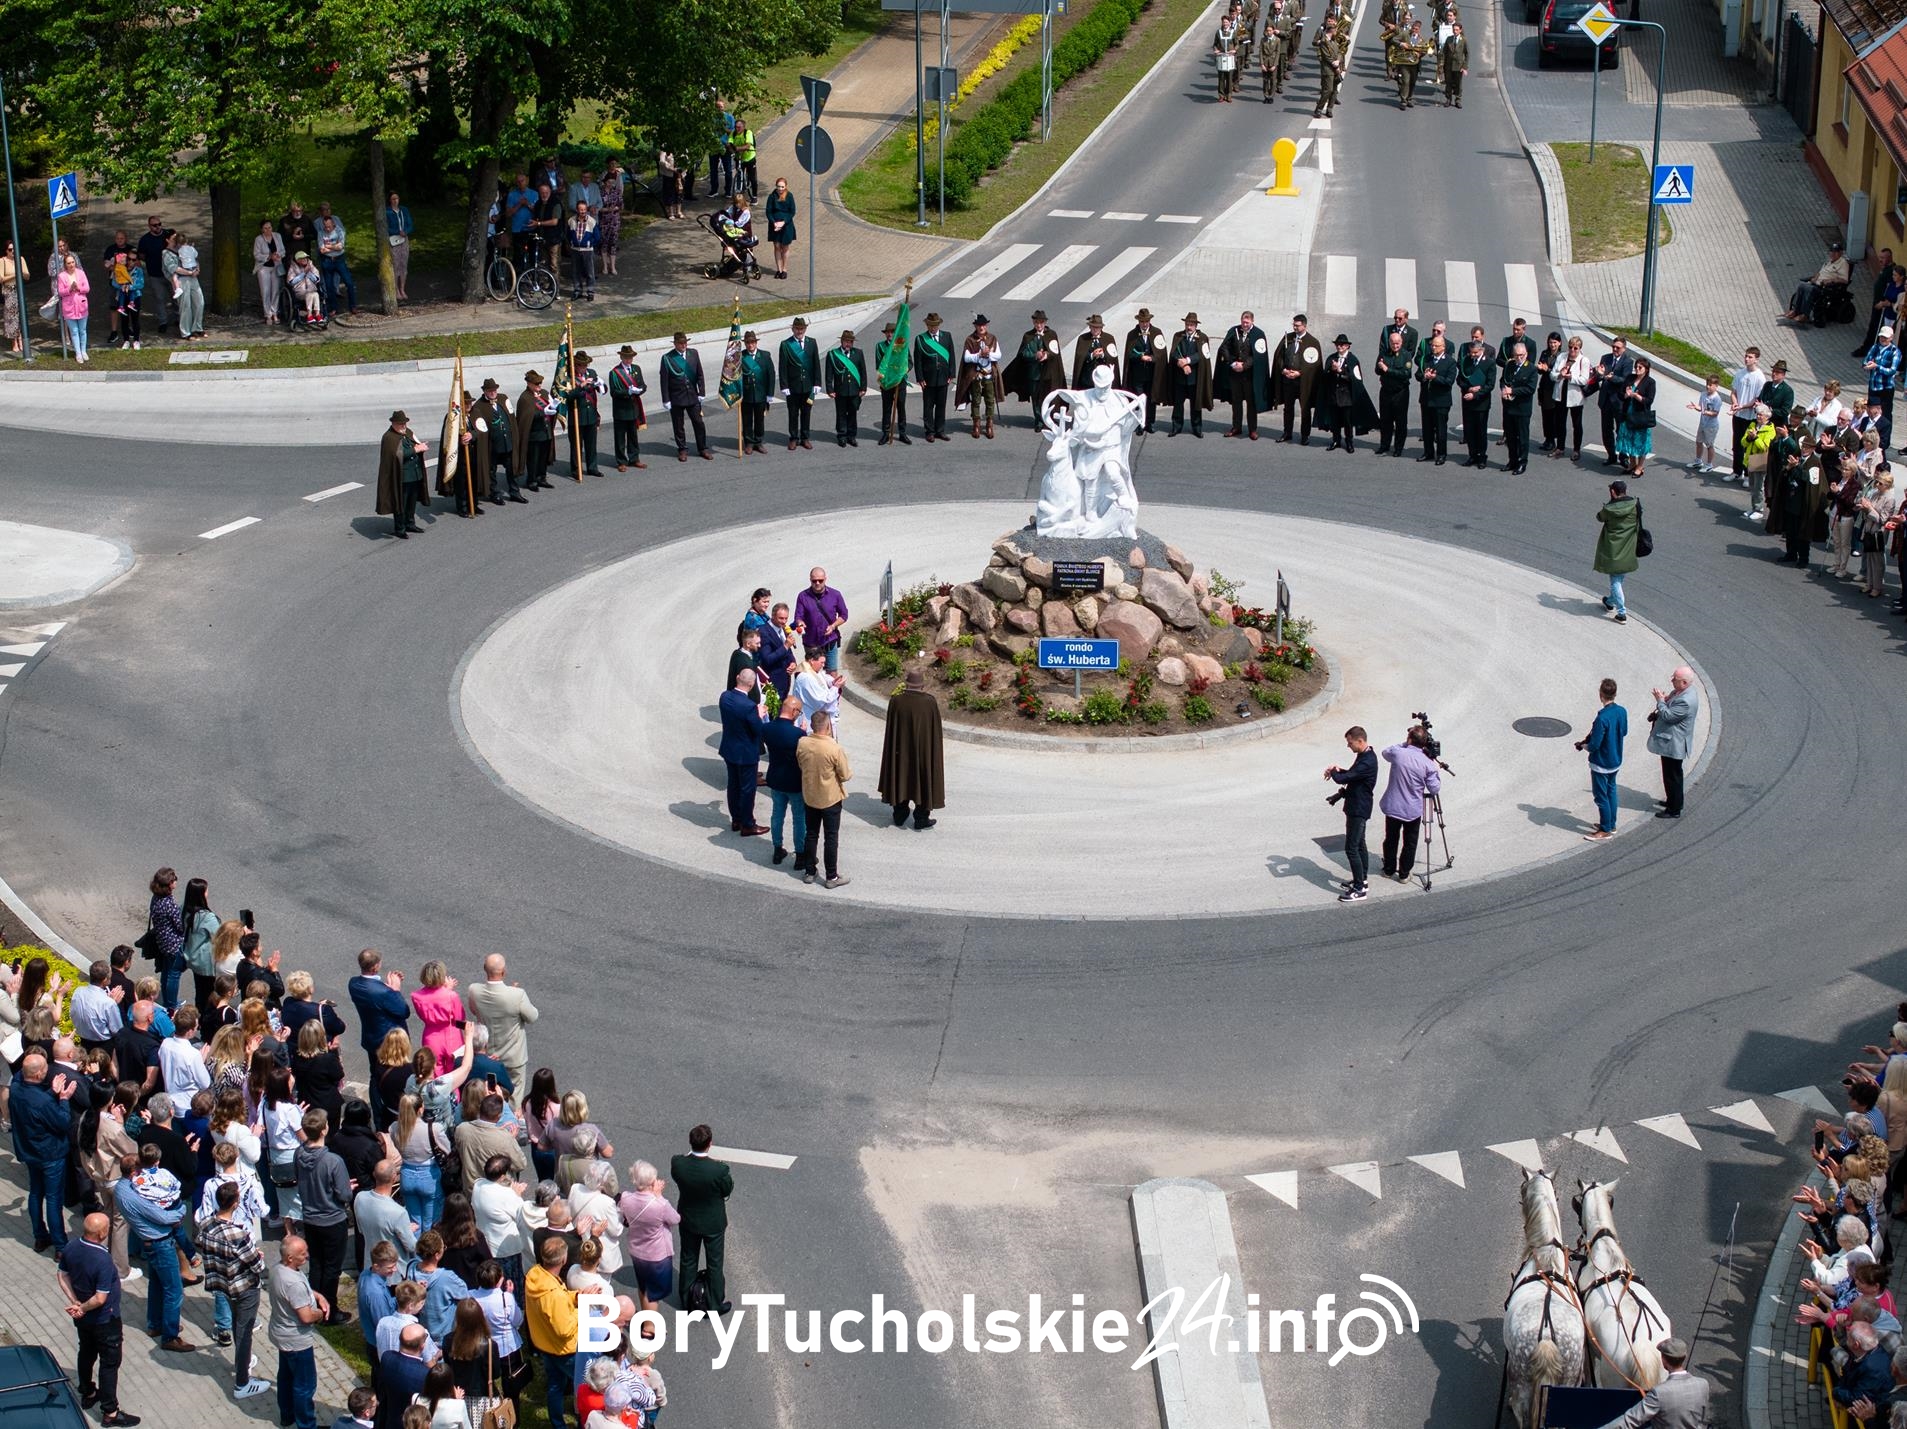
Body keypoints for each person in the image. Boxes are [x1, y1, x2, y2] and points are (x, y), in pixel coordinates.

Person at [59, 1211, 139, 1426]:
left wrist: (75, 1302)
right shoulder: (103, 1259)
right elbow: (100, 1298)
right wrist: (83, 1307)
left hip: (83, 1321)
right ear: (102, 1232)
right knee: (109, 1364)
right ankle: (110, 1412)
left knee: (86, 1352)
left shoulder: (72, 1246)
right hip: (105, 1320)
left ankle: (86, 1391)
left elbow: (62, 1274)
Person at [199, 1179, 274, 1398]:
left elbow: (202, 1245)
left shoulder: (205, 1224)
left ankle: (244, 1358)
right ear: (235, 1203)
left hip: (222, 1283)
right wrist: (258, 1256)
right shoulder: (238, 1234)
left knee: (236, 1323)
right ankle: (242, 1382)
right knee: (244, 1330)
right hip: (244, 1287)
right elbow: (258, 1265)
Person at [13, 1052, 75, 1249]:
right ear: (39, 1074)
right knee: (54, 1199)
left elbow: (35, 1107)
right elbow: (63, 1122)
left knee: (35, 1193)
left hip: (29, 1151)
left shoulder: (16, 1089)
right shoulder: (43, 1101)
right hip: (51, 1154)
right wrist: (63, 1098)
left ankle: (40, 1236)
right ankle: (60, 1246)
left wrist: (50, 1093)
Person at [671, 1125, 734, 1314]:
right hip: (713, 1223)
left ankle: (686, 1300)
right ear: (710, 1144)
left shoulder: (678, 1164)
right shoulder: (718, 1170)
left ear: (691, 1142)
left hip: (689, 1219)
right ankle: (714, 1303)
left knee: (688, 1258)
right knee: (714, 1262)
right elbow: (727, 1189)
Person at [1588, 1336, 1708, 1427]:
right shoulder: (1703, 1384)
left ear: (1664, 1360)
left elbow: (1629, 1421)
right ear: (1684, 1357)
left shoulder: (1659, 1393)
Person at [879, 669, 946, 831]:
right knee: (923, 778)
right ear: (922, 685)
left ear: (906, 684)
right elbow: (935, 730)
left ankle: (899, 815)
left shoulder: (896, 701)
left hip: (900, 751)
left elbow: (891, 730)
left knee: (900, 775)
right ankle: (921, 818)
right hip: (923, 751)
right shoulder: (929, 702)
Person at [526, 1236, 580, 1429]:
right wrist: (580, 1312)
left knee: (555, 1386)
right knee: (584, 1385)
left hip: (544, 1344)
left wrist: (577, 1296)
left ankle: (558, 1424)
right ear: (564, 1260)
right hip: (564, 1350)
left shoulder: (536, 1275)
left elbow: (559, 1301)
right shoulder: (554, 1295)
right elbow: (564, 1329)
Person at [795, 709, 853, 888]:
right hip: (830, 798)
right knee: (831, 837)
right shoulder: (834, 748)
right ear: (828, 727)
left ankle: (810, 871)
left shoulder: (802, 743)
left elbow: (800, 764)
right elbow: (845, 775)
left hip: (810, 796)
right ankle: (831, 876)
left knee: (811, 834)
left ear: (812, 726)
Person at [466, 955, 537, 1098]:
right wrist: (513, 994)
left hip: (489, 1053)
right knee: (514, 1095)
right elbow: (532, 1017)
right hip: (513, 1056)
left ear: (485, 969)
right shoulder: (518, 995)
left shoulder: (474, 990)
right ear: (503, 972)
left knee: (489, 1093)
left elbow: (474, 1010)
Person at [1378, 727, 1441, 882]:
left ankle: (1388, 869)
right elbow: (1434, 789)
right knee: (1410, 843)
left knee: (1391, 839)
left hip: (1393, 807)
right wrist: (1436, 770)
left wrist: (1405, 744)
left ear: (1410, 739)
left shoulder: (1398, 753)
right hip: (1412, 810)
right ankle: (1404, 874)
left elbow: (1386, 752)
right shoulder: (1427, 763)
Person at [1324, 727, 1377, 902]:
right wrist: (1339, 769)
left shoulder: (1367, 761)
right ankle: (1362, 879)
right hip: (1358, 806)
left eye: (1350, 742)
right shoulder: (1365, 756)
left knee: (1351, 848)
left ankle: (1360, 889)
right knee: (1360, 844)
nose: (1348, 746)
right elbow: (1353, 775)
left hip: (1358, 808)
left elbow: (1342, 779)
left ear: (1360, 741)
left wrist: (1333, 770)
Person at [1575, 677, 1628, 842]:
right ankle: (1611, 824)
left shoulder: (1602, 718)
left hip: (1601, 762)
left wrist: (1584, 746)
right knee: (1611, 791)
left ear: (1601, 694)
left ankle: (1605, 829)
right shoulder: (1621, 711)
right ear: (1615, 693)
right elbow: (1624, 731)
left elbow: (1594, 745)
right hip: (1615, 758)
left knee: (1600, 795)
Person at [1646, 666, 1699, 820]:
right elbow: (1671, 704)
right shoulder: (1683, 692)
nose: (1671, 681)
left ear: (1684, 682)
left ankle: (1674, 809)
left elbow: (1668, 715)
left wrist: (1660, 701)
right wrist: (1666, 699)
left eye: (1674, 679)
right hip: (1672, 741)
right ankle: (1673, 801)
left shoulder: (1686, 701)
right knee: (1671, 774)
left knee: (1672, 776)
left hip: (1675, 743)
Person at [1005, 310, 1067, 428]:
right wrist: (1035, 356)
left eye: (1041, 322)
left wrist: (1046, 355)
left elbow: (1055, 352)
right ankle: (1038, 420)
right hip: (1034, 374)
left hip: (1048, 373)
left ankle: (1049, 419)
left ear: (1045, 323)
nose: (1039, 325)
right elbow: (1023, 354)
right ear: (1033, 323)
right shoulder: (1028, 336)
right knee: (1036, 398)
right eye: (1036, 322)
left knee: (1049, 396)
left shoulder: (1051, 334)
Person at [1216, 310, 1272, 439]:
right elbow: (1224, 348)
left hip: (1249, 376)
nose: (1244, 324)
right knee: (1236, 402)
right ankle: (1236, 427)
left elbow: (1258, 355)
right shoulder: (1234, 331)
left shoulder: (1258, 334)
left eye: (1247, 322)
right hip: (1235, 374)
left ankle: (1252, 429)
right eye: (1243, 322)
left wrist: (1244, 366)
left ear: (1252, 321)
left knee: (1251, 403)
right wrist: (1232, 363)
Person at [376, 411, 430, 540]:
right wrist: (415, 449)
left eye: (404, 423)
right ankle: (400, 528)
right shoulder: (389, 437)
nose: (403, 426)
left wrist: (420, 446)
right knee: (401, 503)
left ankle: (410, 523)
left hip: (415, 474)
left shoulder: (408, 432)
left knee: (411, 502)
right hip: (402, 477)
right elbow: (397, 455)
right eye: (400, 424)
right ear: (393, 424)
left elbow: (414, 443)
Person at [1594, 479, 1641, 624]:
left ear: (1613, 492)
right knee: (1619, 578)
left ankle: (1622, 613)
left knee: (1615, 580)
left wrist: (1609, 503)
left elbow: (1599, 517)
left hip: (1614, 549)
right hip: (1629, 547)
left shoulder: (1609, 509)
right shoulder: (1635, 504)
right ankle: (1609, 602)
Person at [658, 331, 710, 462]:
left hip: (692, 396)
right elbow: (664, 380)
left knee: (699, 423)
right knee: (678, 425)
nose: (683, 345)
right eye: (680, 343)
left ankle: (702, 448)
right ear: (675, 344)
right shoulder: (667, 358)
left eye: (685, 343)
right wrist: (666, 399)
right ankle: (682, 449)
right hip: (676, 397)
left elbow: (699, 374)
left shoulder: (694, 353)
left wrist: (702, 392)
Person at [1162, 312, 1213, 437]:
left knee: (1195, 405)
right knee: (1178, 404)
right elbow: (1174, 353)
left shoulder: (1202, 338)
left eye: (1191, 325)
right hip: (1180, 378)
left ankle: (1197, 427)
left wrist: (1188, 361)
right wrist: (1182, 364)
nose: (1189, 327)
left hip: (1195, 378)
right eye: (1187, 324)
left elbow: (1202, 355)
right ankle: (1176, 426)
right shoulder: (1178, 336)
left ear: (1196, 325)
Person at [1274, 315, 1321, 443]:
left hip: (1303, 383)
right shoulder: (1288, 338)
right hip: (1288, 381)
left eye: (1297, 325)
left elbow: (1315, 365)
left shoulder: (1312, 342)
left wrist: (1299, 373)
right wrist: (1283, 369)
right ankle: (1287, 432)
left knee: (1305, 409)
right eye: (1294, 325)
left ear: (1305, 326)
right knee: (1288, 408)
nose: (1295, 327)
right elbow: (1279, 356)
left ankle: (1305, 435)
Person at [957, 313, 1005, 438]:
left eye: (983, 325)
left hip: (988, 375)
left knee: (990, 401)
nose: (981, 327)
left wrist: (988, 354)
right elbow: (966, 358)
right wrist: (979, 355)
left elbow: (999, 355)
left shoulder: (992, 338)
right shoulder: (970, 339)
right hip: (976, 376)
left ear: (986, 326)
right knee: (976, 401)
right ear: (975, 326)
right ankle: (976, 425)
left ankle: (989, 425)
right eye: (979, 325)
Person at [794, 568, 850, 672]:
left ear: (825, 579)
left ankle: (834, 689)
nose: (817, 583)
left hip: (829, 642)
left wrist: (833, 626)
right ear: (810, 580)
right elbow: (798, 616)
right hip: (811, 644)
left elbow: (844, 615)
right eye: (814, 581)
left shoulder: (835, 594)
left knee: (832, 673)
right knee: (812, 675)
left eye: (820, 580)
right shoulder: (803, 596)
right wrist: (800, 623)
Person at [1783, 239, 1851, 324]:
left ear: (1840, 253)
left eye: (1835, 252)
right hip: (1817, 283)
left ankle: (1805, 315)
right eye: (1831, 251)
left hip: (1827, 287)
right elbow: (1821, 272)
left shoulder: (1843, 263)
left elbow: (1844, 280)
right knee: (1802, 286)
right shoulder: (1829, 262)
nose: (1832, 253)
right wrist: (1814, 277)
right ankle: (1796, 311)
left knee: (1809, 290)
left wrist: (1831, 280)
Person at [911, 312, 955, 441]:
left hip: (943, 376)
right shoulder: (920, 339)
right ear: (927, 325)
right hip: (928, 378)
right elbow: (918, 360)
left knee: (941, 405)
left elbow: (951, 355)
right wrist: (920, 378)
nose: (933, 328)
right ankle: (929, 431)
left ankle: (940, 430)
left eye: (935, 325)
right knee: (929, 406)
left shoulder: (947, 336)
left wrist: (951, 373)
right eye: (930, 325)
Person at [516, 370, 558, 490]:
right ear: (529, 384)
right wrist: (542, 413)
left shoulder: (544, 393)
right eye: (536, 383)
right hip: (533, 434)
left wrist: (553, 407)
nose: (539, 385)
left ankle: (542, 477)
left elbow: (550, 406)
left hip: (545, 431)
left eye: (540, 383)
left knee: (543, 457)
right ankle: (532, 480)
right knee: (533, 458)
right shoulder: (525, 398)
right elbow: (526, 416)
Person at [1616, 357, 1657, 477]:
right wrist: (1626, 395)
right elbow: (1620, 394)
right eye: (1636, 367)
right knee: (1628, 439)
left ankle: (1640, 466)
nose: (1637, 369)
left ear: (1646, 369)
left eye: (1640, 367)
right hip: (1627, 414)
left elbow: (1649, 400)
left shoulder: (1650, 382)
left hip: (1640, 416)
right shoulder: (1630, 378)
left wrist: (1637, 396)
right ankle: (1632, 463)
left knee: (1641, 442)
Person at [825, 327, 868, 446]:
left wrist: (863, 388)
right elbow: (829, 373)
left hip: (854, 390)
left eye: (851, 342)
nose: (848, 344)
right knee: (841, 413)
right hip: (840, 390)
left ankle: (852, 436)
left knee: (853, 413)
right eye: (846, 341)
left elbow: (862, 372)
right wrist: (830, 389)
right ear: (842, 341)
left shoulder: (858, 353)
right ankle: (842, 435)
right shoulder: (833, 354)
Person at [738, 330, 775, 454]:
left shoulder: (765, 355)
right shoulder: (740, 356)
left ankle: (758, 442)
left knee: (760, 419)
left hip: (761, 394)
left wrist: (770, 394)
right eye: (748, 343)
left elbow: (771, 375)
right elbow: (735, 376)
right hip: (746, 395)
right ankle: (749, 442)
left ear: (756, 342)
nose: (750, 345)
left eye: (752, 342)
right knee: (747, 420)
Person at [875, 321, 911, 445]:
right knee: (887, 408)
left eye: (892, 332)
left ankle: (902, 433)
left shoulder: (902, 345)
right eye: (888, 332)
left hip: (900, 381)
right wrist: (888, 376)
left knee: (901, 407)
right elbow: (879, 364)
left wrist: (903, 370)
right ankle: (886, 433)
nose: (890, 334)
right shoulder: (880, 346)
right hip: (886, 382)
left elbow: (909, 362)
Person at [55, 252, 91, 362]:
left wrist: (78, 287)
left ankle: (84, 351)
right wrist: (69, 289)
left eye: (72, 262)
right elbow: (60, 292)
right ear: (65, 264)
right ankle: (78, 353)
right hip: (69, 308)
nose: (71, 265)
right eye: (68, 263)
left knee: (82, 330)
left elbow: (87, 288)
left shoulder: (81, 273)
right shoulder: (61, 276)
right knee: (74, 331)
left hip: (81, 306)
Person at [765, 176, 797, 279]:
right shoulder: (771, 197)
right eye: (779, 187)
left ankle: (784, 269)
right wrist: (774, 222)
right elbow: (768, 211)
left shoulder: (789, 196)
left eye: (782, 187)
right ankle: (779, 269)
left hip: (786, 226)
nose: (780, 189)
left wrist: (783, 222)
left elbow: (792, 211)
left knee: (785, 247)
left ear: (786, 187)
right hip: (774, 225)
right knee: (777, 246)